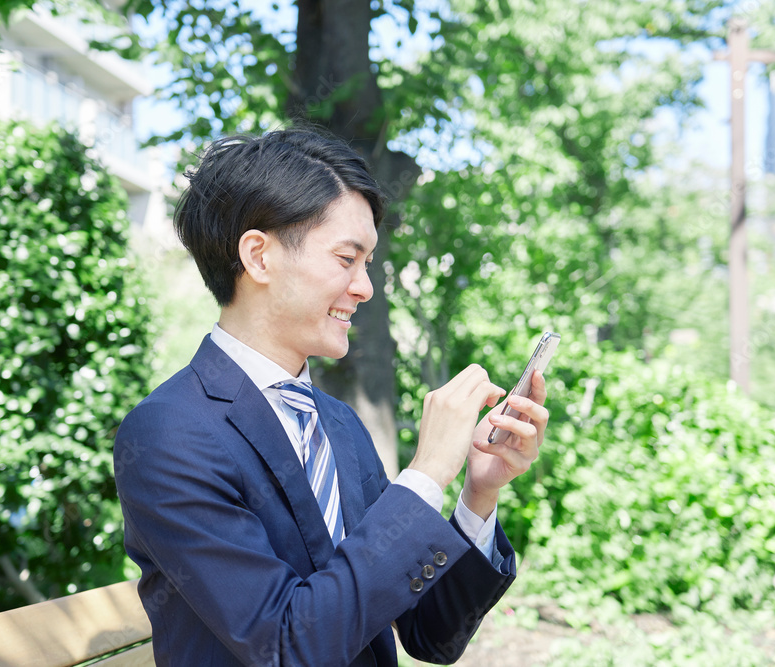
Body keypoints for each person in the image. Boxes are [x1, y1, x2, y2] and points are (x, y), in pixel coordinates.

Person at [113, 128, 549, 666]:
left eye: (366, 263)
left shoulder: (337, 424)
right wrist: (427, 471)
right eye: (347, 259)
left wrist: (477, 493)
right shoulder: (168, 434)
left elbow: (432, 635)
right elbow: (288, 646)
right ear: (259, 256)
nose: (365, 287)